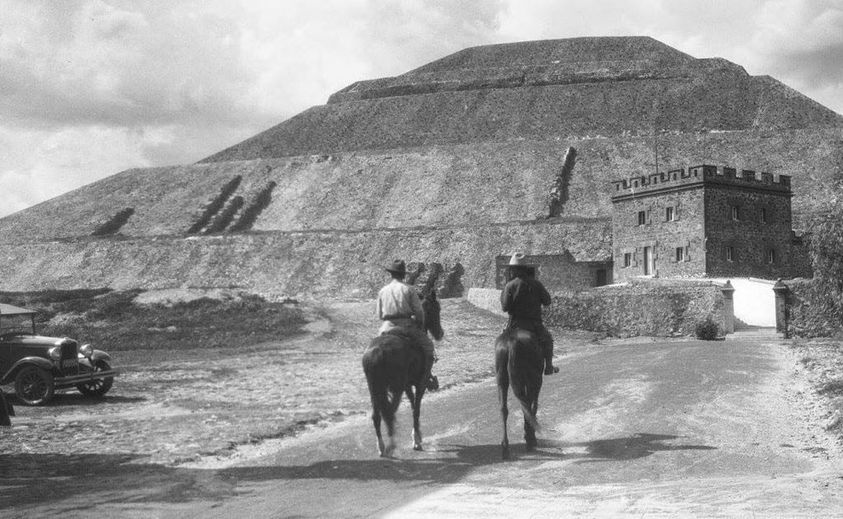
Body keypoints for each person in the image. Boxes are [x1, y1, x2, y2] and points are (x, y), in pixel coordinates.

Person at [377, 259, 437, 389]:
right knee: (428, 347)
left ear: (391, 274)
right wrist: (419, 324)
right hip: (405, 326)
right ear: (403, 275)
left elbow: (380, 315)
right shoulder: (408, 289)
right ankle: (425, 379)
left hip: (386, 327)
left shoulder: (383, 290)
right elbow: (419, 312)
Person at [500, 252, 558, 375]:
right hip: (534, 325)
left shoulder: (509, 286)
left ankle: (502, 370)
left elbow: (505, 308)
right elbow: (547, 301)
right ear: (525, 269)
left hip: (514, 325)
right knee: (548, 340)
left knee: (502, 343)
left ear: (513, 270)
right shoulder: (537, 284)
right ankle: (548, 367)